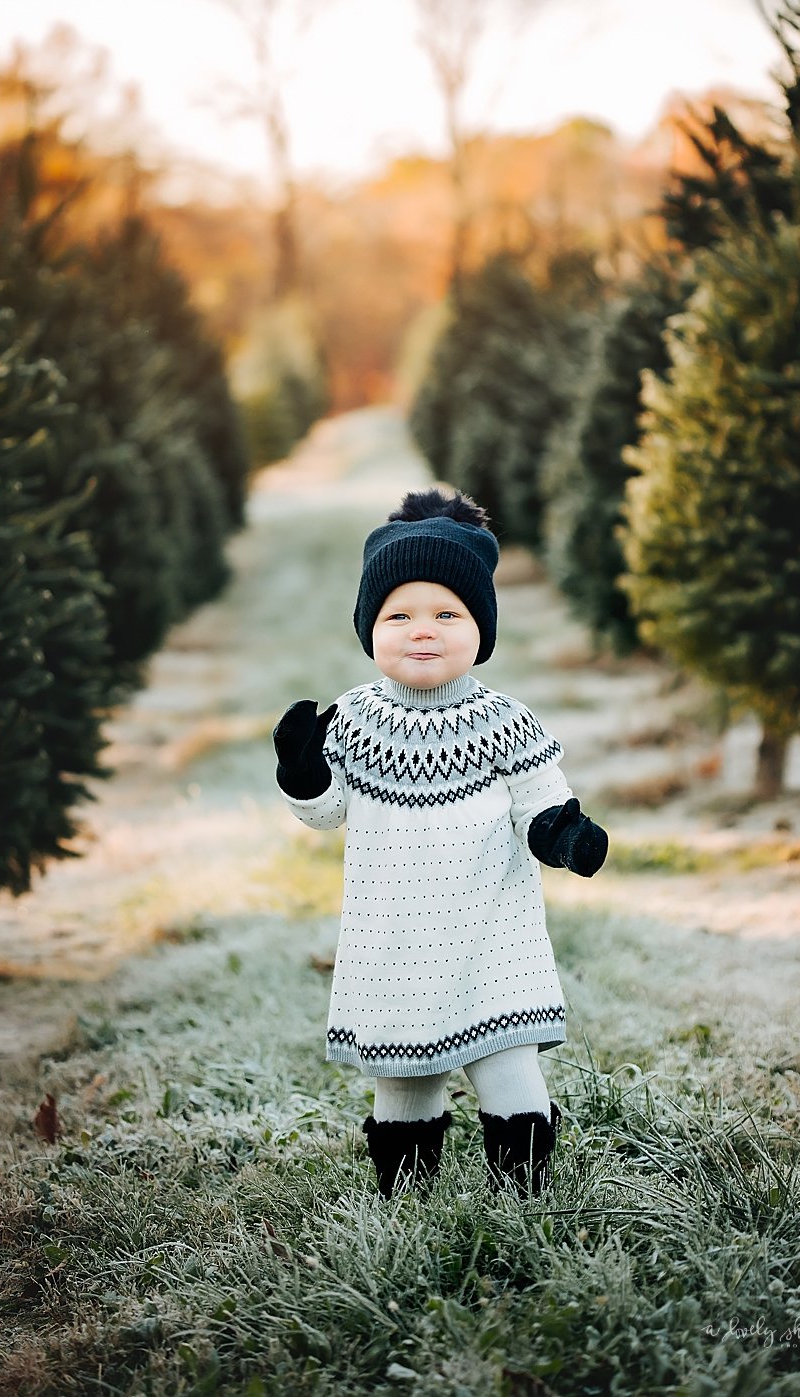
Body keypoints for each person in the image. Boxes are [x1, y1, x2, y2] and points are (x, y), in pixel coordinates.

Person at [271, 488, 607, 1200]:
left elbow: (538, 798)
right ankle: (408, 1202)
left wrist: (563, 833)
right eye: (399, 615)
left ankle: (522, 1201)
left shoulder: (504, 721)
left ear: (481, 628)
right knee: (406, 1082)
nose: (422, 631)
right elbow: (329, 811)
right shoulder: (356, 721)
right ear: (370, 628)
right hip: (395, 942)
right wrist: (304, 771)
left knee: (510, 1067)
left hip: (493, 933)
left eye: (447, 614)